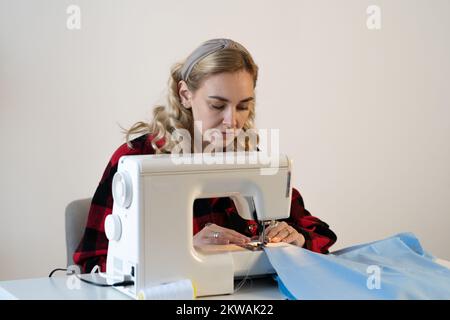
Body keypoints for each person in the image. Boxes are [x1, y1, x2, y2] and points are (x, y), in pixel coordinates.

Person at [73, 38, 337, 273]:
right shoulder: (136, 160)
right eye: (217, 105)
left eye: (243, 106)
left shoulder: (247, 157)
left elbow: (320, 233)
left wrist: (298, 238)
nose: (232, 121)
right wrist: (183, 251)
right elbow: (93, 262)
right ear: (186, 95)